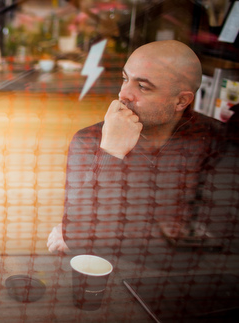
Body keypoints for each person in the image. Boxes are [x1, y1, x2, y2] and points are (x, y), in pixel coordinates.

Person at [47, 40, 225, 260]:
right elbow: (77, 233)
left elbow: (215, 238)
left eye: (142, 87)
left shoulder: (217, 141)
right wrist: (110, 154)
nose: (123, 94)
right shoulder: (89, 140)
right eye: (125, 79)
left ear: (181, 101)